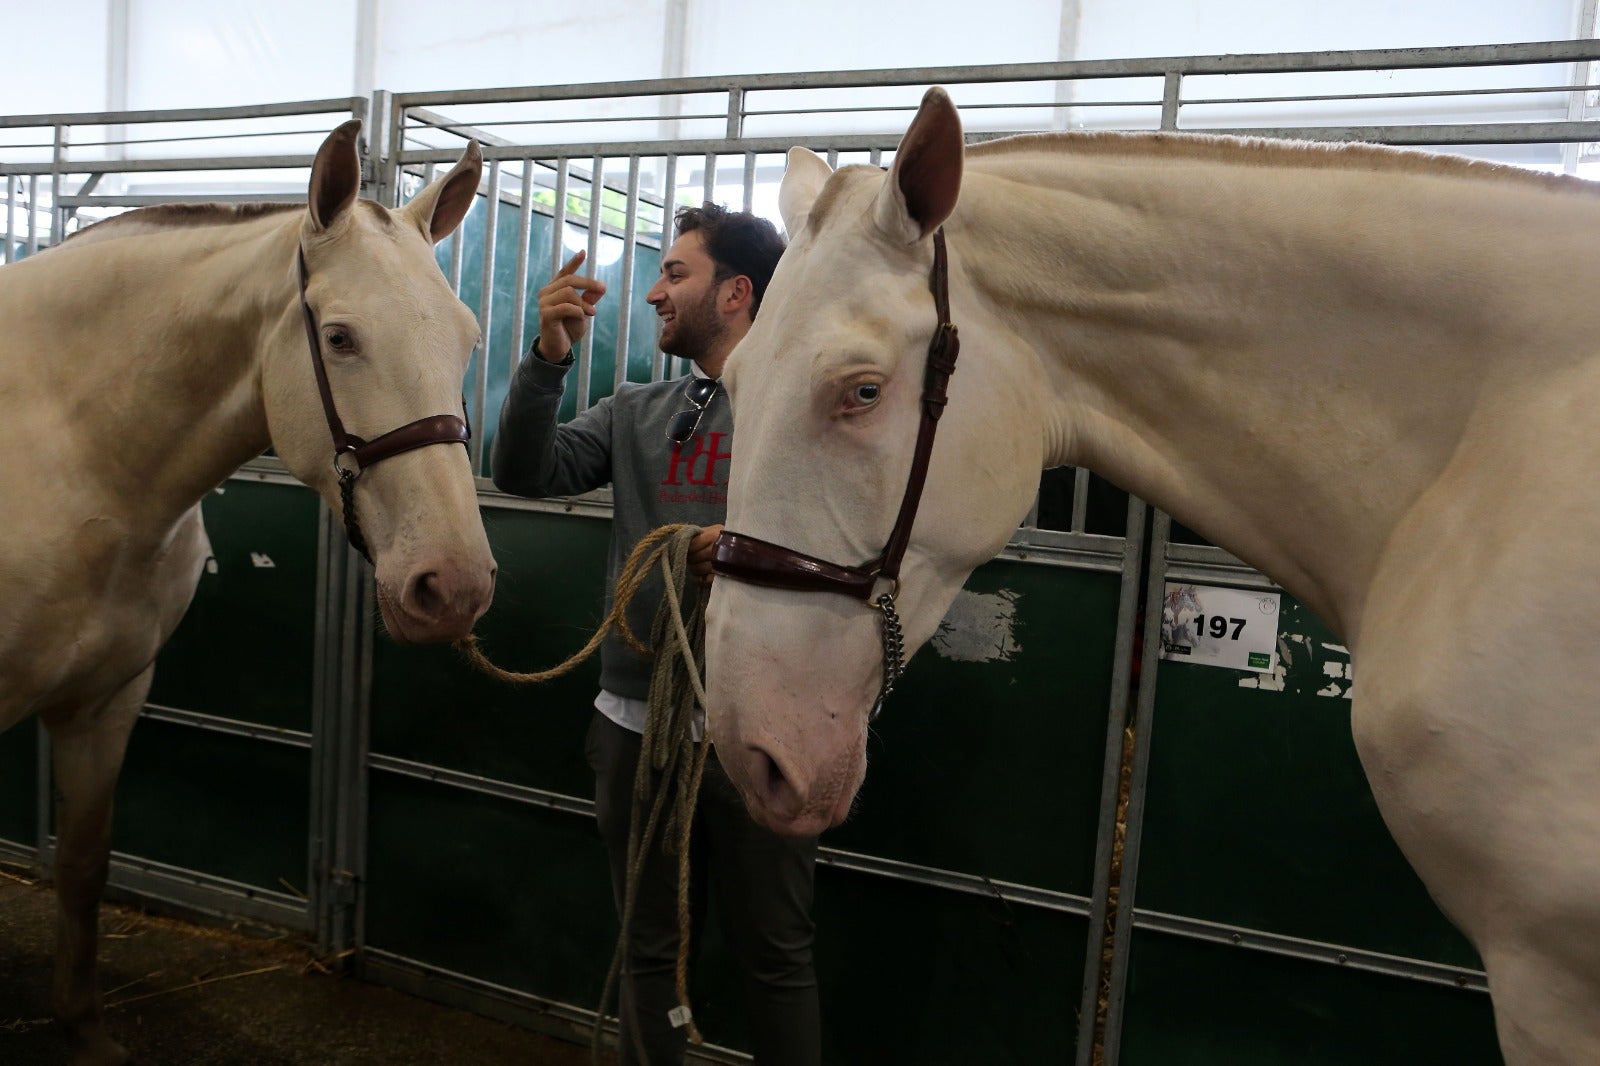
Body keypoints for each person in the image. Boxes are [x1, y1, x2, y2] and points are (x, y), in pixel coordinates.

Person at [491, 204, 818, 1066]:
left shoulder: (808, 409)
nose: (652, 292)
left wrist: (740, 551)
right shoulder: (639, 406)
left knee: (774, 958)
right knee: (647, 951)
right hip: (636, 723)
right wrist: (547, 357)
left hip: (762, 730)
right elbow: (526, 472)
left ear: (737, 293)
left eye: (676, 274)